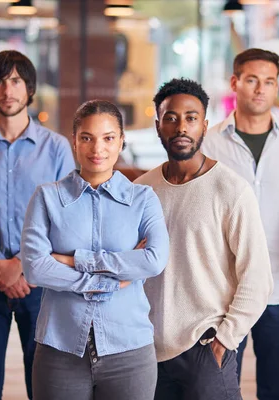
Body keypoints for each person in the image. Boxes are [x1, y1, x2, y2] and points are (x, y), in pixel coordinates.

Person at [21, 99, 169, 400]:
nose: (97, 149)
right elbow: (35, 267)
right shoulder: (47, 198)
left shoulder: (144, 199)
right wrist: (109, 279)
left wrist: (74, 260)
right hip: (60, 348)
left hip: (129, 349)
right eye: (87, 138)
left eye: (108, 138)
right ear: (74, 141)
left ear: (121, 141)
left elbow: (154, 260)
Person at [135, 78, 273, 400]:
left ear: (205, 126)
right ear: (158, 126)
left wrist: (225, 340)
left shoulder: (231, 190)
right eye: (171, 118)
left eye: (191, 117)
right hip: (147, 352)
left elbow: (257, 278)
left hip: (204, 348)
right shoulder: (141, 190)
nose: (181, 126)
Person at [202, 48, 279, 397]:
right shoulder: (208, 144)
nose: (260, 89)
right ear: (235, 82)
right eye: (252, 80)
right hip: (221, 292)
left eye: (269, 82)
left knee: (275, 390)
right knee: (221, 389)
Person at [0, 50, 75, 399]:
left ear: (30, 90)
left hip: (41, 284)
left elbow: (65, 217)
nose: (7, 89)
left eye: (16, 81)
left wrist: (22, 267)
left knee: (43, 384)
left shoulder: (56, 148)